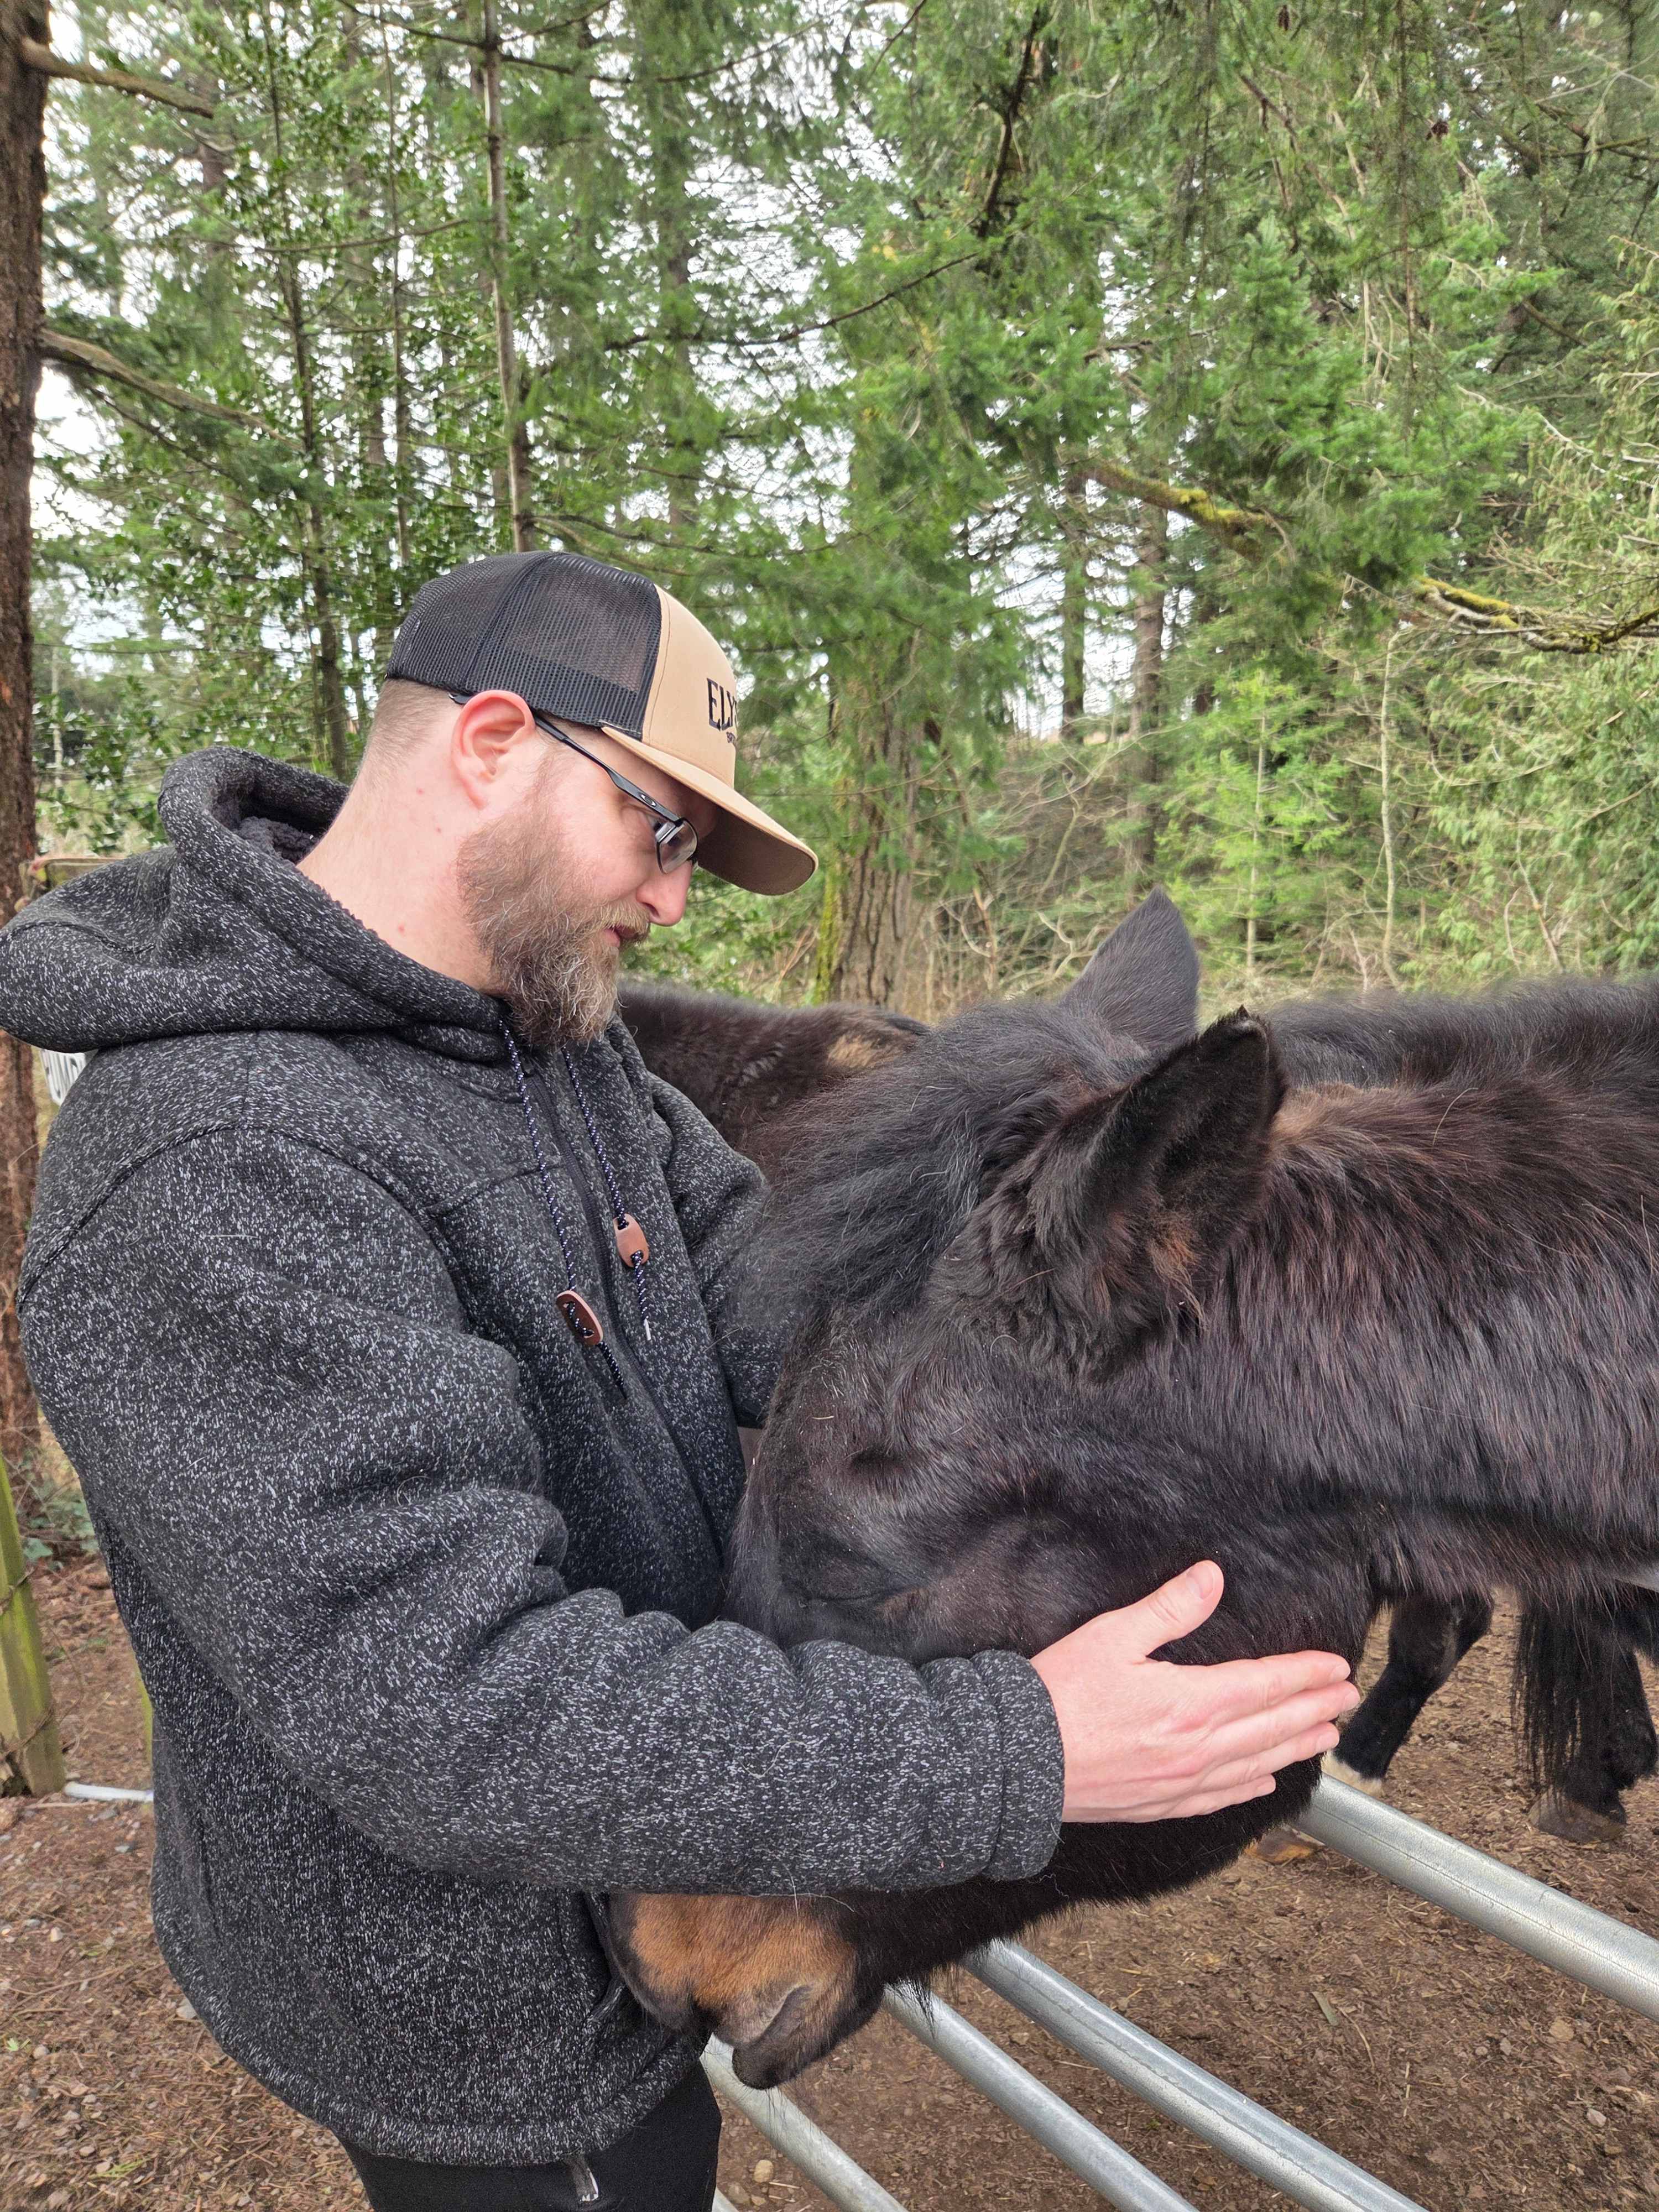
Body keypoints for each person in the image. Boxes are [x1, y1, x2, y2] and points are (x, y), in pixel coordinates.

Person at [0, 552, 1359, 2212]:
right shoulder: (216, 1170)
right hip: (481, 2025)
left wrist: (1063, 1342)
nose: (673, 900)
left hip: (635, 1899)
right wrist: (1021, 1754)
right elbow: (444, 1710)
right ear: (493, 742)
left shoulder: (541, 1038)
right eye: (663, 830)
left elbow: (766, 1291)